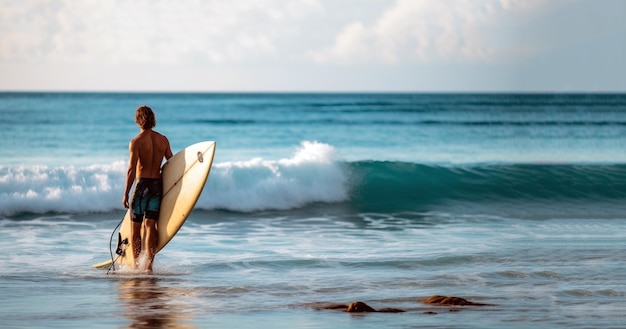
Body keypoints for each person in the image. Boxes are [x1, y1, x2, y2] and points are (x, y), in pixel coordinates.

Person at [122, 105, 173, 272]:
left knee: (135, 227)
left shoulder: (136, 142)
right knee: (151, 226)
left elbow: (131, 170)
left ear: (138, 120)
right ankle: (148, 266)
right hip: (157, 187)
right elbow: (171, 164)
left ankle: (136, 265)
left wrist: (126, 193)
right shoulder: (163, 140)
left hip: (142, 186)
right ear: (153, 119)